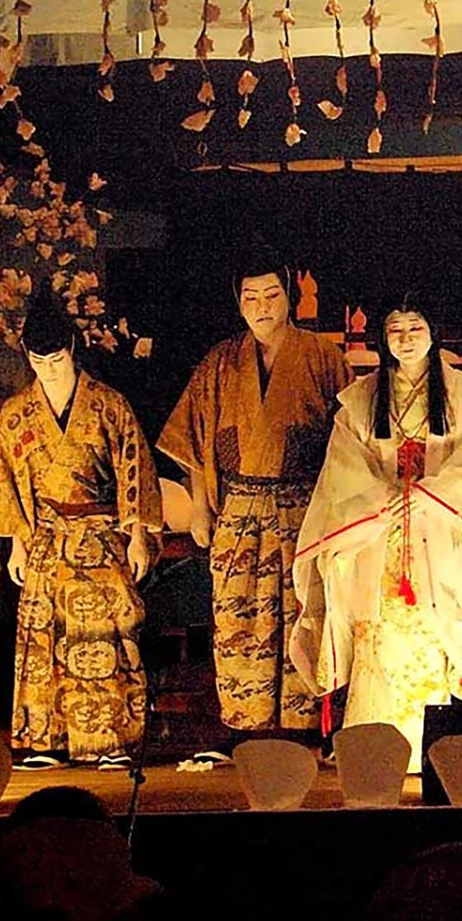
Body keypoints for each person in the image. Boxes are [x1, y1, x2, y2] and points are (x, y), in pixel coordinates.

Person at [290, 303, 462, 771]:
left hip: (441, 537)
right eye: (395, 329)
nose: (406, 338)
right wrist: (379, 501)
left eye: (415, 327)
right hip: (379, 536)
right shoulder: (360, 401)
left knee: (435, 635)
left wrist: (432, 493)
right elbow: (343, 467)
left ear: (433, 332)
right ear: (383, 337)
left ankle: (432, 751)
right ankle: (374, 751)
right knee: (377, 639)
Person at [0, 291, 162, 769]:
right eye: (39, 361)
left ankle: (112, 739)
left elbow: (134, 470)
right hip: (45, 538)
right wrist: (16, 544)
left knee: (106, 634)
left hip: (101, 536)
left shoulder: (108, 405)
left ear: (72, 349)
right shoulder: (16, 413)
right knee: (44, 638)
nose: (49, 369)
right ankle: (46, 741)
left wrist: (137, 535)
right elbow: (8, 482)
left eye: (56, 359)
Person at [159, 252, 351, 734]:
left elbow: (350, 438)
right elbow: (193, 434)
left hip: (305, 506)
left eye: (271, 295)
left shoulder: (322, 356)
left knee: (305, 611)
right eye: (251, 298)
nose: (262, 307)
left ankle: (306, 725)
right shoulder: (221, 361)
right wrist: (199, 506)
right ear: (238, 303)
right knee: (239, 617)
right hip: (239, 507)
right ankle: (247, 724)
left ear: (289, 298)